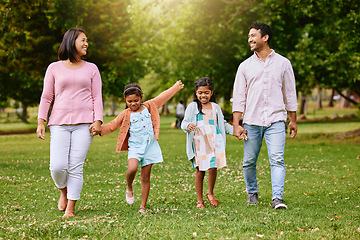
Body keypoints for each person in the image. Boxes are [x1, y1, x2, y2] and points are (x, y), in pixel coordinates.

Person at [36, 28, 103, 217]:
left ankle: (71, 208)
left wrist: (98, 120)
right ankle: (63, 192)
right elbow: (47, 96)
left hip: (85, 125)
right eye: (83, 40)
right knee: (57, 166)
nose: (86, 44)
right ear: (71, 41)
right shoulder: (54, 68)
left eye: (87, 40)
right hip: (59, 123)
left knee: (75, 166)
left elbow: (97, 97)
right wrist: (41, 121)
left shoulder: (92, 69)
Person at [232, 22, 298, 209]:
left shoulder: (283, 63)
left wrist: (292, 120)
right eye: (248, 37)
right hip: (252, 121)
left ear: (265, 37)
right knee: (249, 161)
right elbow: (239, 97)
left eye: (253, 35)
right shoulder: (244, 67)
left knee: (277, 159)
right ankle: (252, 192)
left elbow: (290, 93)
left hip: (276, 120)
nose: (250, 39)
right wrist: (237, 124)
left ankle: (277, 198)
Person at [91, 81, 184, 213]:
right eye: (130, 101)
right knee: (132, 168)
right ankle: (129, 186)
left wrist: (175, 87)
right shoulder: (125, 114)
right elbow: (112, 125)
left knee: (145, 177)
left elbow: (163, 96)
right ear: (125, 100)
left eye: (136, 100)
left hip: (150, 146)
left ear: (141, 97)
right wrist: (98, 130)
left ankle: (143, 206)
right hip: (135, 147)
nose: (133, 103)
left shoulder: (150, 106)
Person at [181, 77, 233, 208]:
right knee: (200, 170)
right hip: (199, 143)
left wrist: (236, 132)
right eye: (200, 93)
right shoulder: (193, 106)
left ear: (211, 93)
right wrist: (188, 126)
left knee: (213, 167)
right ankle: (200, 200)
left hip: (214, 141)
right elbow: (184, 122)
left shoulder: (215, 107)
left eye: (206, 93)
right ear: (196, 93)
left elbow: (223, 124)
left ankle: (210, 192)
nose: (203, 95)